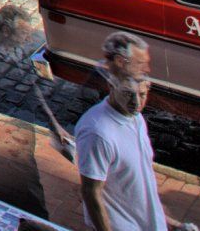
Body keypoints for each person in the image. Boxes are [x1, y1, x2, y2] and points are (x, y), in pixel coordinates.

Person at [72, 59, 192, 231]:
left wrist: (173, 224)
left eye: (142, 94)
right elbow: (91, 192)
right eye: (128, 93)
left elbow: (138, 187)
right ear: (111, 86)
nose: (136, 102)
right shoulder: (98, 133)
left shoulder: (134, 117)